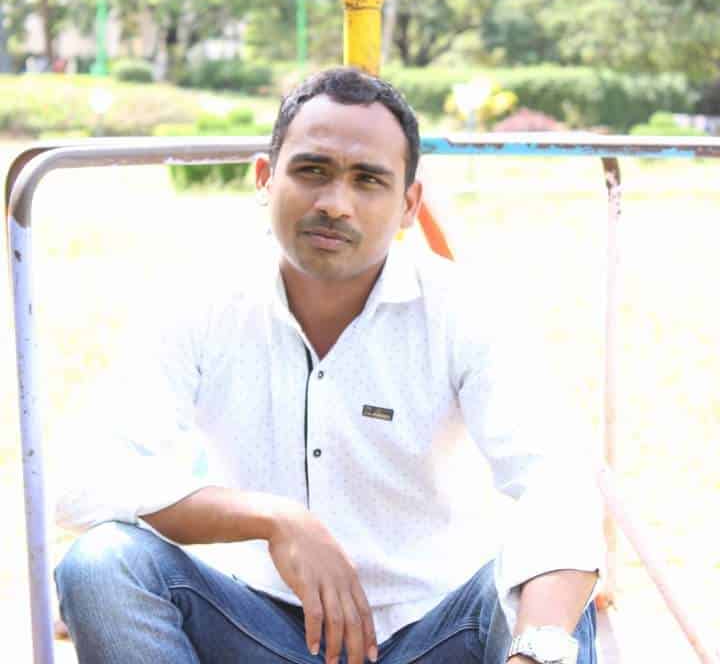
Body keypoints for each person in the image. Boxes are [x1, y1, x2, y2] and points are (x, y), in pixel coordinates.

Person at [54, 68, 604, 664]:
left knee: (545, 602)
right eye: (312, 170)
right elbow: (84, 477)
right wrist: (272, 519)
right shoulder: (203, 304)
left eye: (368, 180)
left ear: (408, 205)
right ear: (265, 178)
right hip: (256, 632)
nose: (335, 204)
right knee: (102, 565)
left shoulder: (463, 310)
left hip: (435, 635)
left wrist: (534, 652)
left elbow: (556, 481)